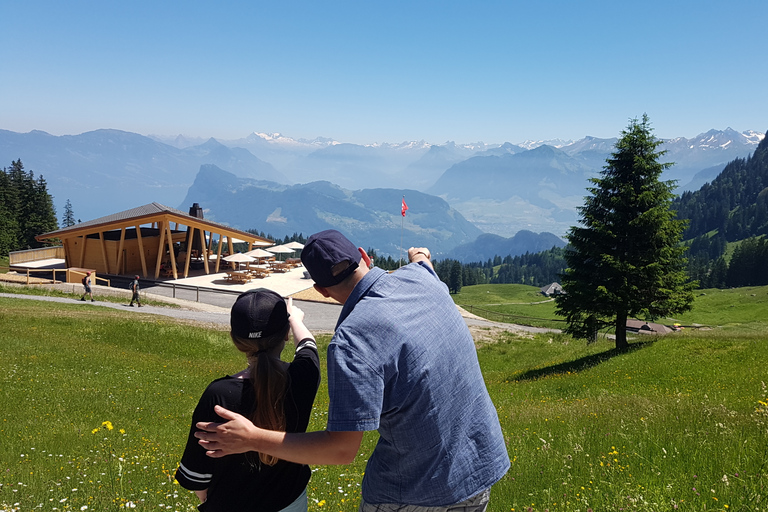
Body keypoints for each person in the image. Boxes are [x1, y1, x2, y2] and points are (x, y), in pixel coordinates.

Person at [195, 230, 509, 511]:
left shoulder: (352, 340)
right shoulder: (423, 278)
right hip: (481, 467)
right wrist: (420, 255)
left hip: (413, 491)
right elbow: (425, 264)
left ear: (321, 290)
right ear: (364, 256)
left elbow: (342, 449)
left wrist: (253, 438)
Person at [176, 289, 320, 512]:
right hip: (290, 502)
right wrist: (294, 319)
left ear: (236, 340)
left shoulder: (219, 394)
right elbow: (308, 347)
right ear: (285, 335)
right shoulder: (304, 377)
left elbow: (196, 476)